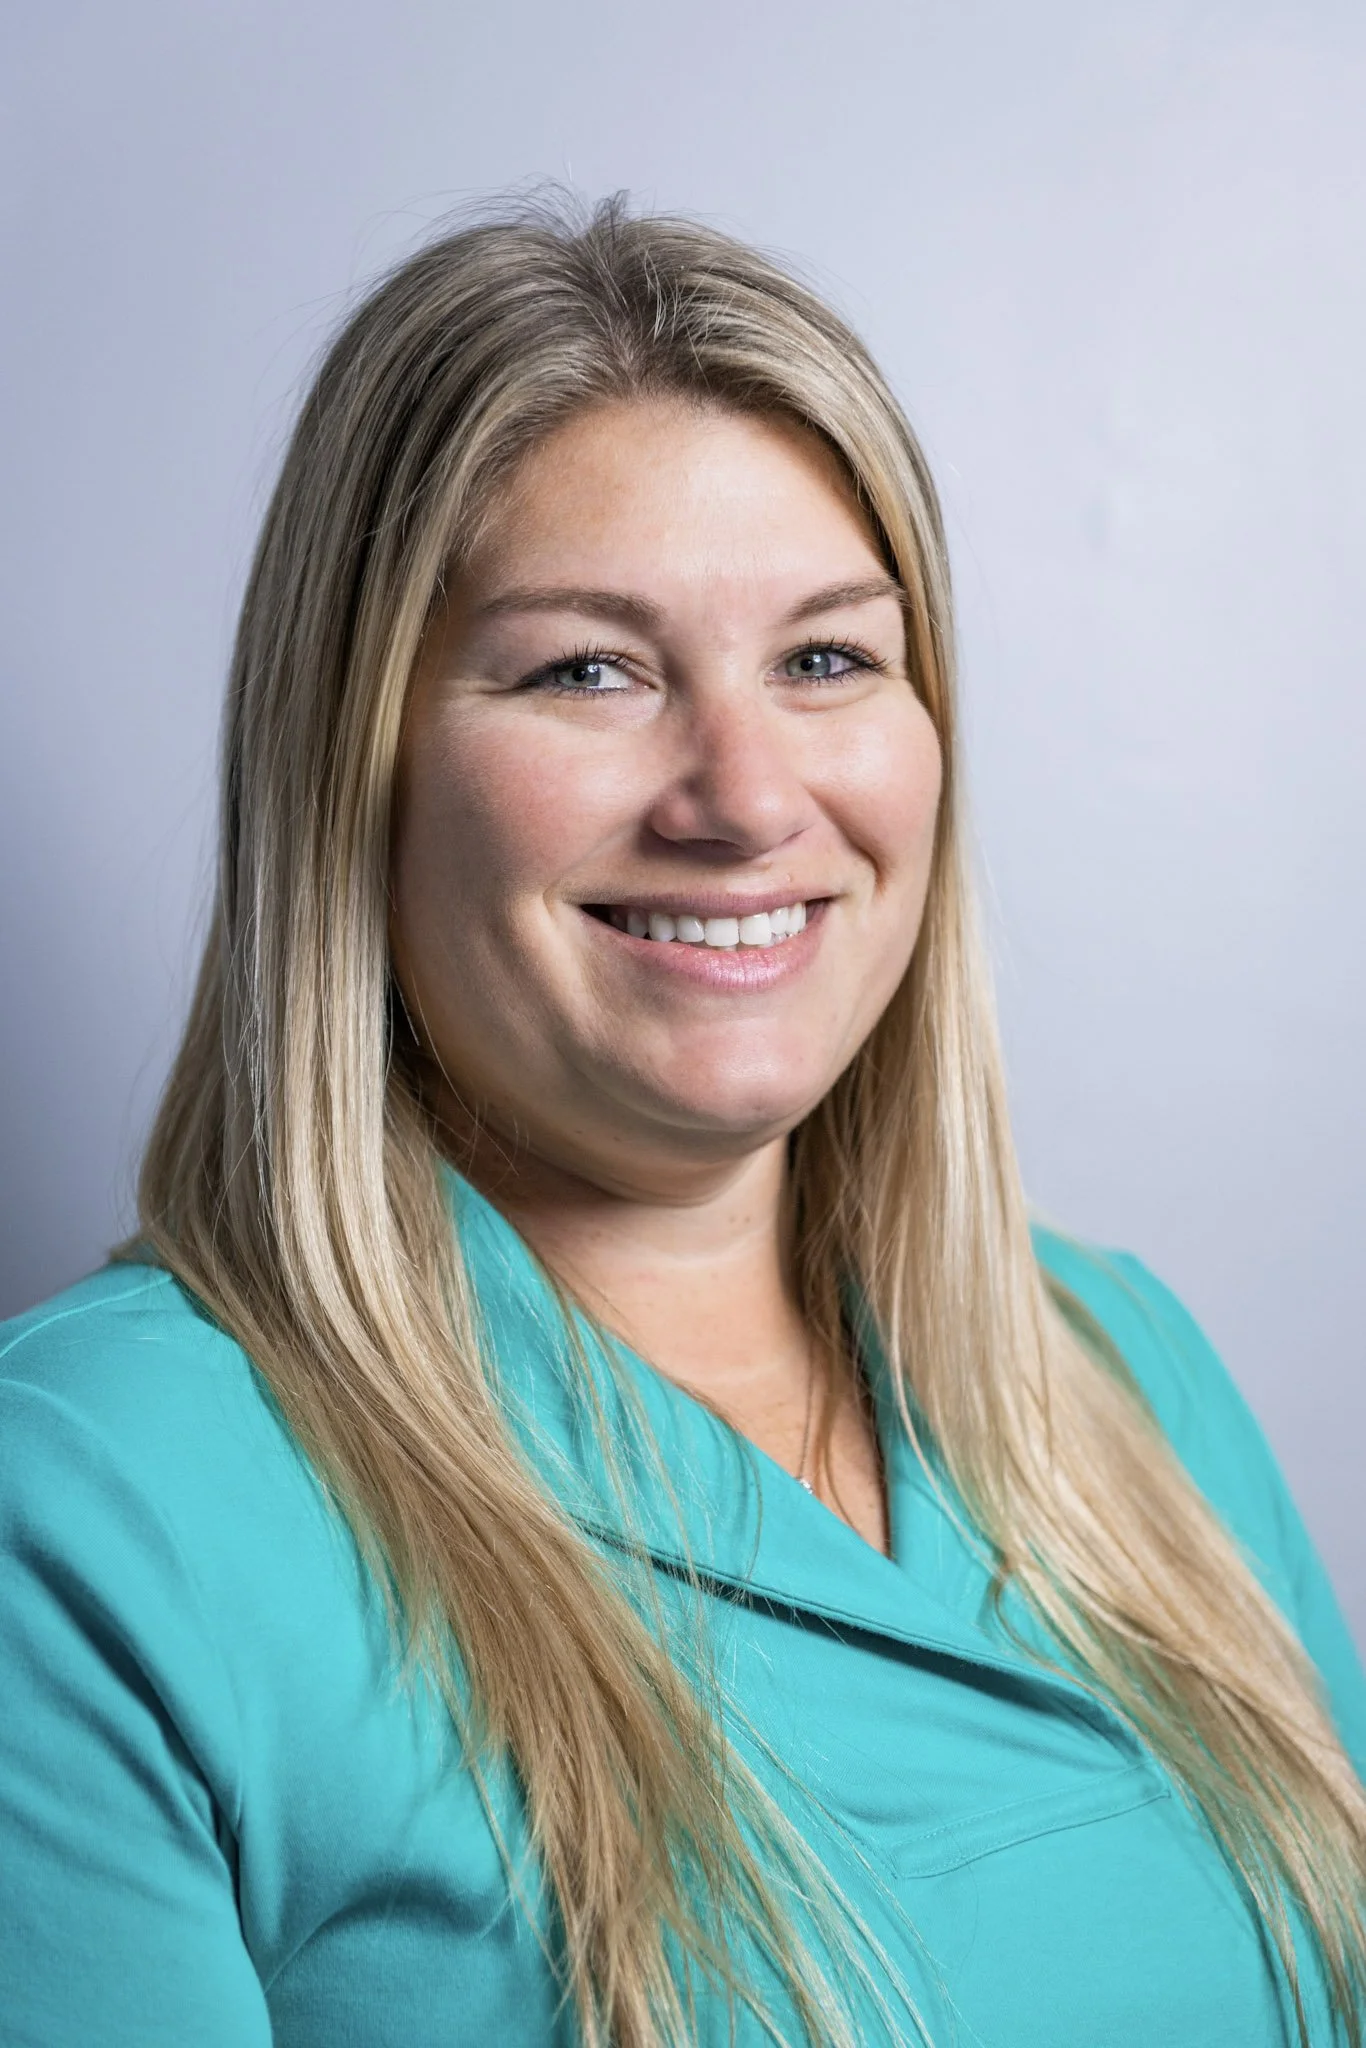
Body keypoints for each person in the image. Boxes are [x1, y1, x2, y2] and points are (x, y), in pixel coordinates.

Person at [1, 194, 1363, 2048]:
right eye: (589, 669)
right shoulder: (84, 1511)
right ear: (355, 766)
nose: (743, 797)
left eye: (824, 660)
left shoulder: (1121, 1376)